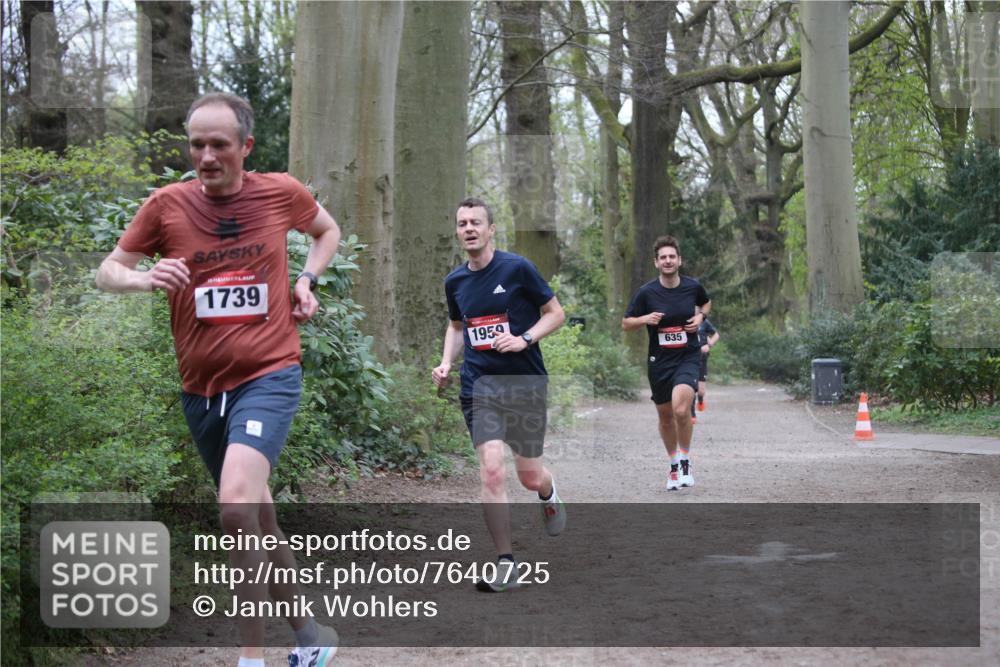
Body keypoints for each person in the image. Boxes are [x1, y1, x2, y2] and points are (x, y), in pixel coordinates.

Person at [96, 92, 340, 667]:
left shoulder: (280, 191)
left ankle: (251, 659)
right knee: (258, 514)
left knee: (234, 508)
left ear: (245, 147)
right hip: (201, 391)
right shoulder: (166, 206)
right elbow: (108, 271)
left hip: (270, 373)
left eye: (219, 145)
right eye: (197, 144)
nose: (206, 156)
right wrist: (144, 279)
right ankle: (311, 635)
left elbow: (325, 231)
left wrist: (305, 280)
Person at [431, 197, 567, 592]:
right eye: (462, 223)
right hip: (480, 384)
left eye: (476, 222)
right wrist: (445, 363)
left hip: (524, 382)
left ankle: (548, 490)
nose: (468, 228)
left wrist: (525, 338)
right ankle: (506, 563)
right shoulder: (455, 281)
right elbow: (458, 327)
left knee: (528, 475)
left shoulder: (518, 268)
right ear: (457, 232)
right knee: (491, 468)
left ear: (491, 229)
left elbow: (555, 314)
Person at [622, 236, 711, 491]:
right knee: (664, 417)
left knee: (681, 410)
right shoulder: (646, 293)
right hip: (659, 360)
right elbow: (626, 323)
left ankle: (685, 460)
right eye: (663, 257)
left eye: (672, 256)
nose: (668, 260)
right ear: (656, 262)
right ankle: (673, 464)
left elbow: (705, 302)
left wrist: (701, 317)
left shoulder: (692, 287)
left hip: (688, 355)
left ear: (679, 260)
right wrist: (645, 319)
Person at [691, 317, 720, 422]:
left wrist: (708, 345)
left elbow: (716, 335)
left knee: (701, 391)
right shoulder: (685, 319)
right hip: (689, 358)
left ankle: (701, 400)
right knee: (691, 387)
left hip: (702, 359)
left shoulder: (704, 322)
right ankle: (692, 415)